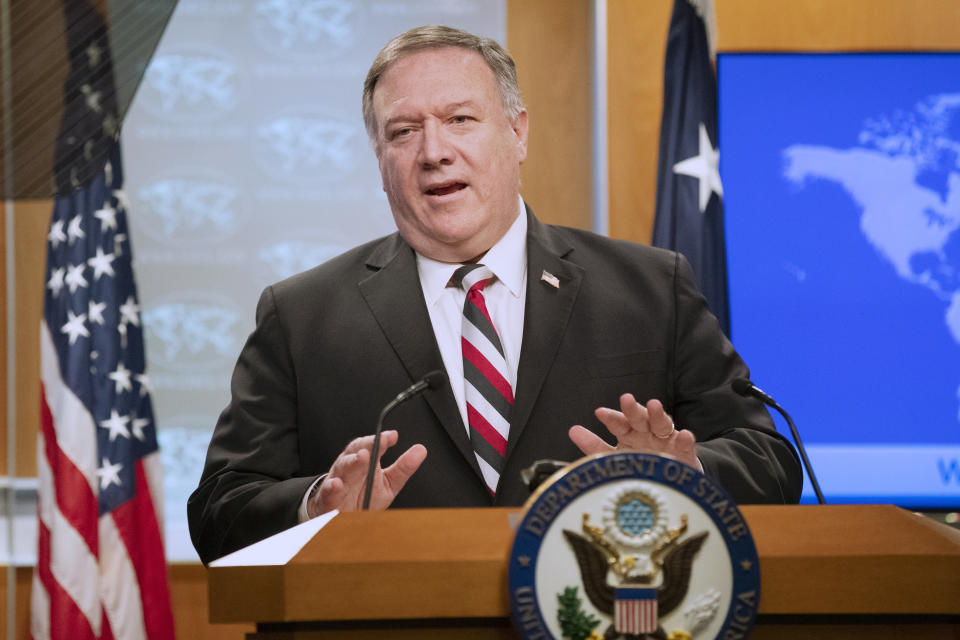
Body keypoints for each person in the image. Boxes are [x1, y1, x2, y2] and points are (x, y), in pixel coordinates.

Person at [187, 25, 802, 564]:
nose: (434, 152)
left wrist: (681, 474)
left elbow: (770, 461)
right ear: (379, 159)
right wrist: (315, 505)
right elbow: (219, 511)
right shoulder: (302, 318)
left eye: (460, 119)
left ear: (517, 133)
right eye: (404, 131)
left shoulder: (649, 289)